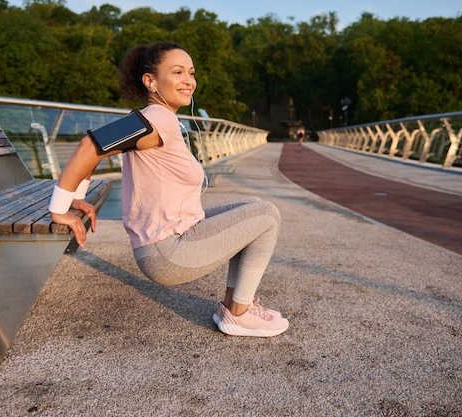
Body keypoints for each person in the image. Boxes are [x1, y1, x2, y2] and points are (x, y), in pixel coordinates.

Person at [48, 41, 289, 337]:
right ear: (151, 81)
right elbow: (90, 145)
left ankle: (231, 306)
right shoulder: (156, 119)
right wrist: (60, 209)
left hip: (169, 242)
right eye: (177, 72)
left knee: (250, 207)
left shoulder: (160, 119)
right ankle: (240, 313)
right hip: (167, 253)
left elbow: (98, 151)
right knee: (266, 214)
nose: (188, 80)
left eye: (191, 73)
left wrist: (78, 198)